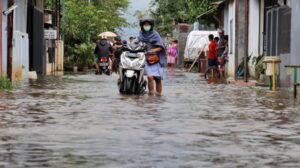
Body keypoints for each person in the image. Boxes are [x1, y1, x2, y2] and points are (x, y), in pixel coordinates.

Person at [137, 17, 166, 96]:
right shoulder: (140, 35)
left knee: (158, 79)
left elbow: (161, 47)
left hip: (156, 59)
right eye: (145, 25)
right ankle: (151, 95)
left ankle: (159, 95)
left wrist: (152, 50)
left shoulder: (155, 34)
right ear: (142, 26)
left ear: (151, 25)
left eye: (148, 25)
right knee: (150, 77)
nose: (146, 26)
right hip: (146, 59)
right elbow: (136, 43)